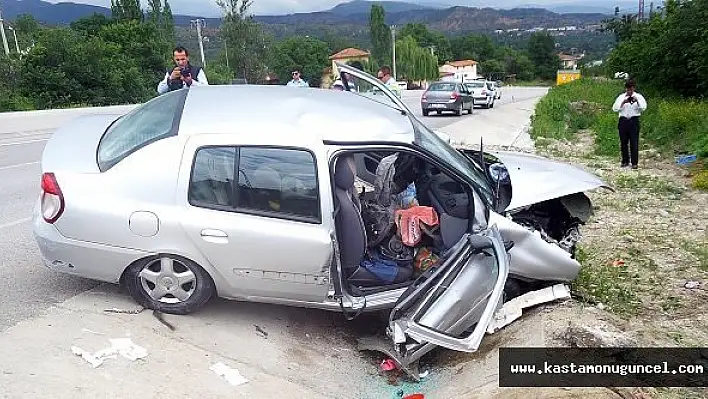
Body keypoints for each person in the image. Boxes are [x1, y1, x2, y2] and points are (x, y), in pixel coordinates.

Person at [612, 79, 647, 169]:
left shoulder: (639, 96)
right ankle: (625, 161)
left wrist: (637, 101)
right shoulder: (621, 97)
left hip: (633, 120)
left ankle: (634, 163)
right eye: (628, 90)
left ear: (634, 88)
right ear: (626, 89)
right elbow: (615, 109)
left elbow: (643, 108)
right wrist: (623, 103)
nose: (629, 92)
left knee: (634, 142)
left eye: (631, 89)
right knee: (623, 142)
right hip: (623, 120)